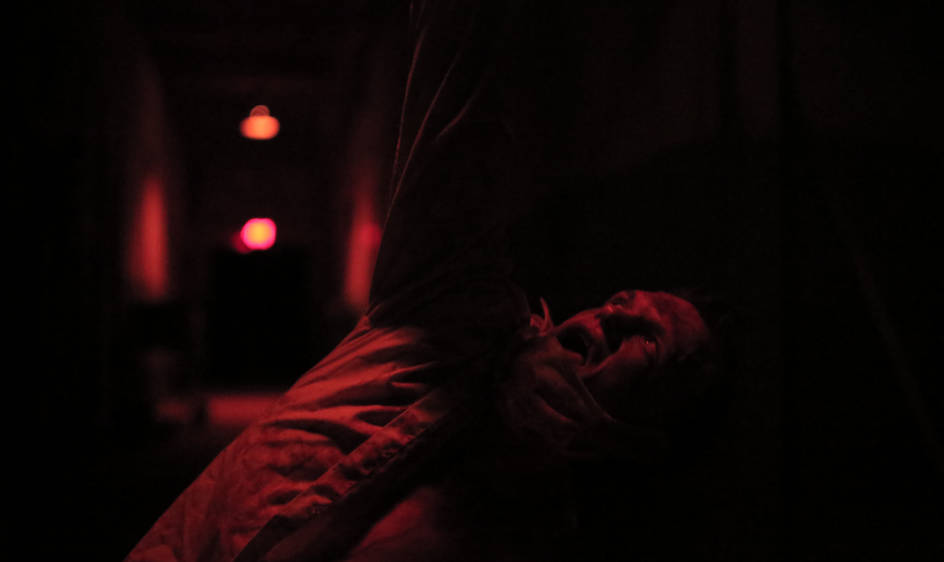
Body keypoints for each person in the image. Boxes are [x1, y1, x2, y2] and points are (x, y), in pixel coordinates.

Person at [126, 3, 717, 561]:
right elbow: (458, 89)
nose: (612, 316)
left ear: (645, 433)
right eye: (619, 300)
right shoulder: (448, 321)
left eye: (648, 341)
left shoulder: (555, 537)